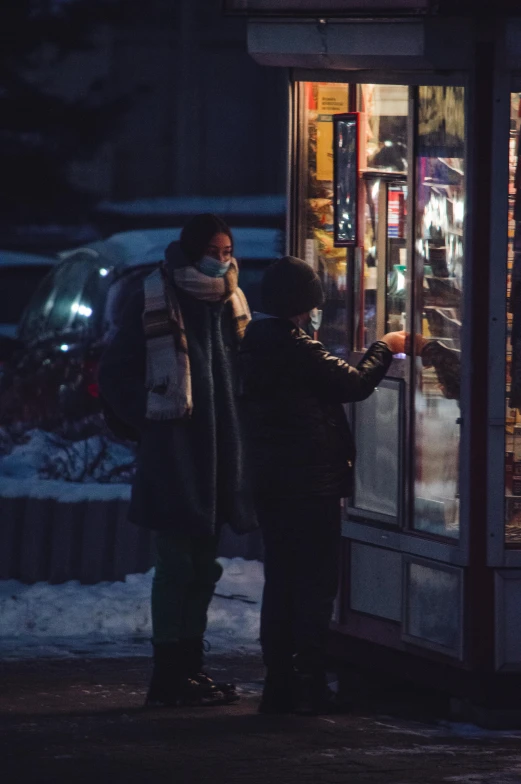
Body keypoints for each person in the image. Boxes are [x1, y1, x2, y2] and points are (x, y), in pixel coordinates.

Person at [98, 214, 257, 708]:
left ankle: (190, 669)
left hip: (221, 453)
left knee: (203, 566)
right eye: (215, 248)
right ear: (191, 251)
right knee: (177, 564)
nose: (224, 257)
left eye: (229, 249)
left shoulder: (231, 297)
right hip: (175, 454)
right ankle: (169, 675)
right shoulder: (153, 294)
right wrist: (150, 423)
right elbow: (117, 374)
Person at [238, 256, 406, 716]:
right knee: (313, 584)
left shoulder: (257, 340)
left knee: (283, 582)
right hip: (308, 483)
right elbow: (354, 383)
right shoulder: (293, 346)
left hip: (275, 482)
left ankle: (281, 682)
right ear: (303, 304)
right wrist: (385, 346)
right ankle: (306, 681)